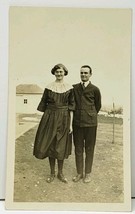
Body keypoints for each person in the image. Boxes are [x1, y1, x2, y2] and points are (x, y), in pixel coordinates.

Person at [33, 63, 75, 183]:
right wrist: (46, 122)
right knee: (51, 145)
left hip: (64, 118)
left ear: (65, 73)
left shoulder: (69, 88)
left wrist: (70, 124)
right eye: (57, 72)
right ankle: (52, 173)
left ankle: (60, 173)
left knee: (61, 146)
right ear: (54, 73)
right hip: (50, 118)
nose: (59, 74)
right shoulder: (49, 87)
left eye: (61, 72)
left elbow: (71, 107)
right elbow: (44, 104)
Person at [72, 65, 101, 183]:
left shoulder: (95, 89)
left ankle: (87, 173)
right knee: (78, 149)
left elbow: (97, 106)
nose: (83, 75)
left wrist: (89, 115)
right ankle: (79, 173)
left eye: (86, 73)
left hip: (91, 125)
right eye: (81, 73)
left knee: (89, 149)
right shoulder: (74, 88)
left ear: (90, 74)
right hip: (77, 124)